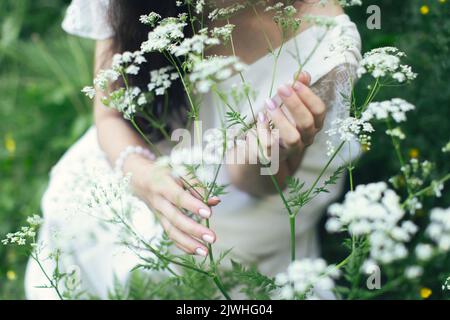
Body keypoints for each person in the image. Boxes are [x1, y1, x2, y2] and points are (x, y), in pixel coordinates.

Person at [25, 0, 362, 299]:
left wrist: (264, 150)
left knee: (194, 260)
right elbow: (109, 113)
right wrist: (142, 176)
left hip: (246, 199)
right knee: (78, 213)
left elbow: (254, 184)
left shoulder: (323, 40)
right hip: (142, 147)